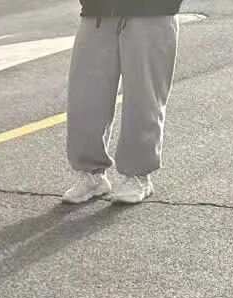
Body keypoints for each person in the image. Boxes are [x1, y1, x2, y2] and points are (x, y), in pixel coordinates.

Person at [61, 1, 182, 206]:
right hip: (97, 11)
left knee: (143, 97)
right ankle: (92, 174)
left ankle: (139, 176)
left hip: (151, 11)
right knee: (85, 96)